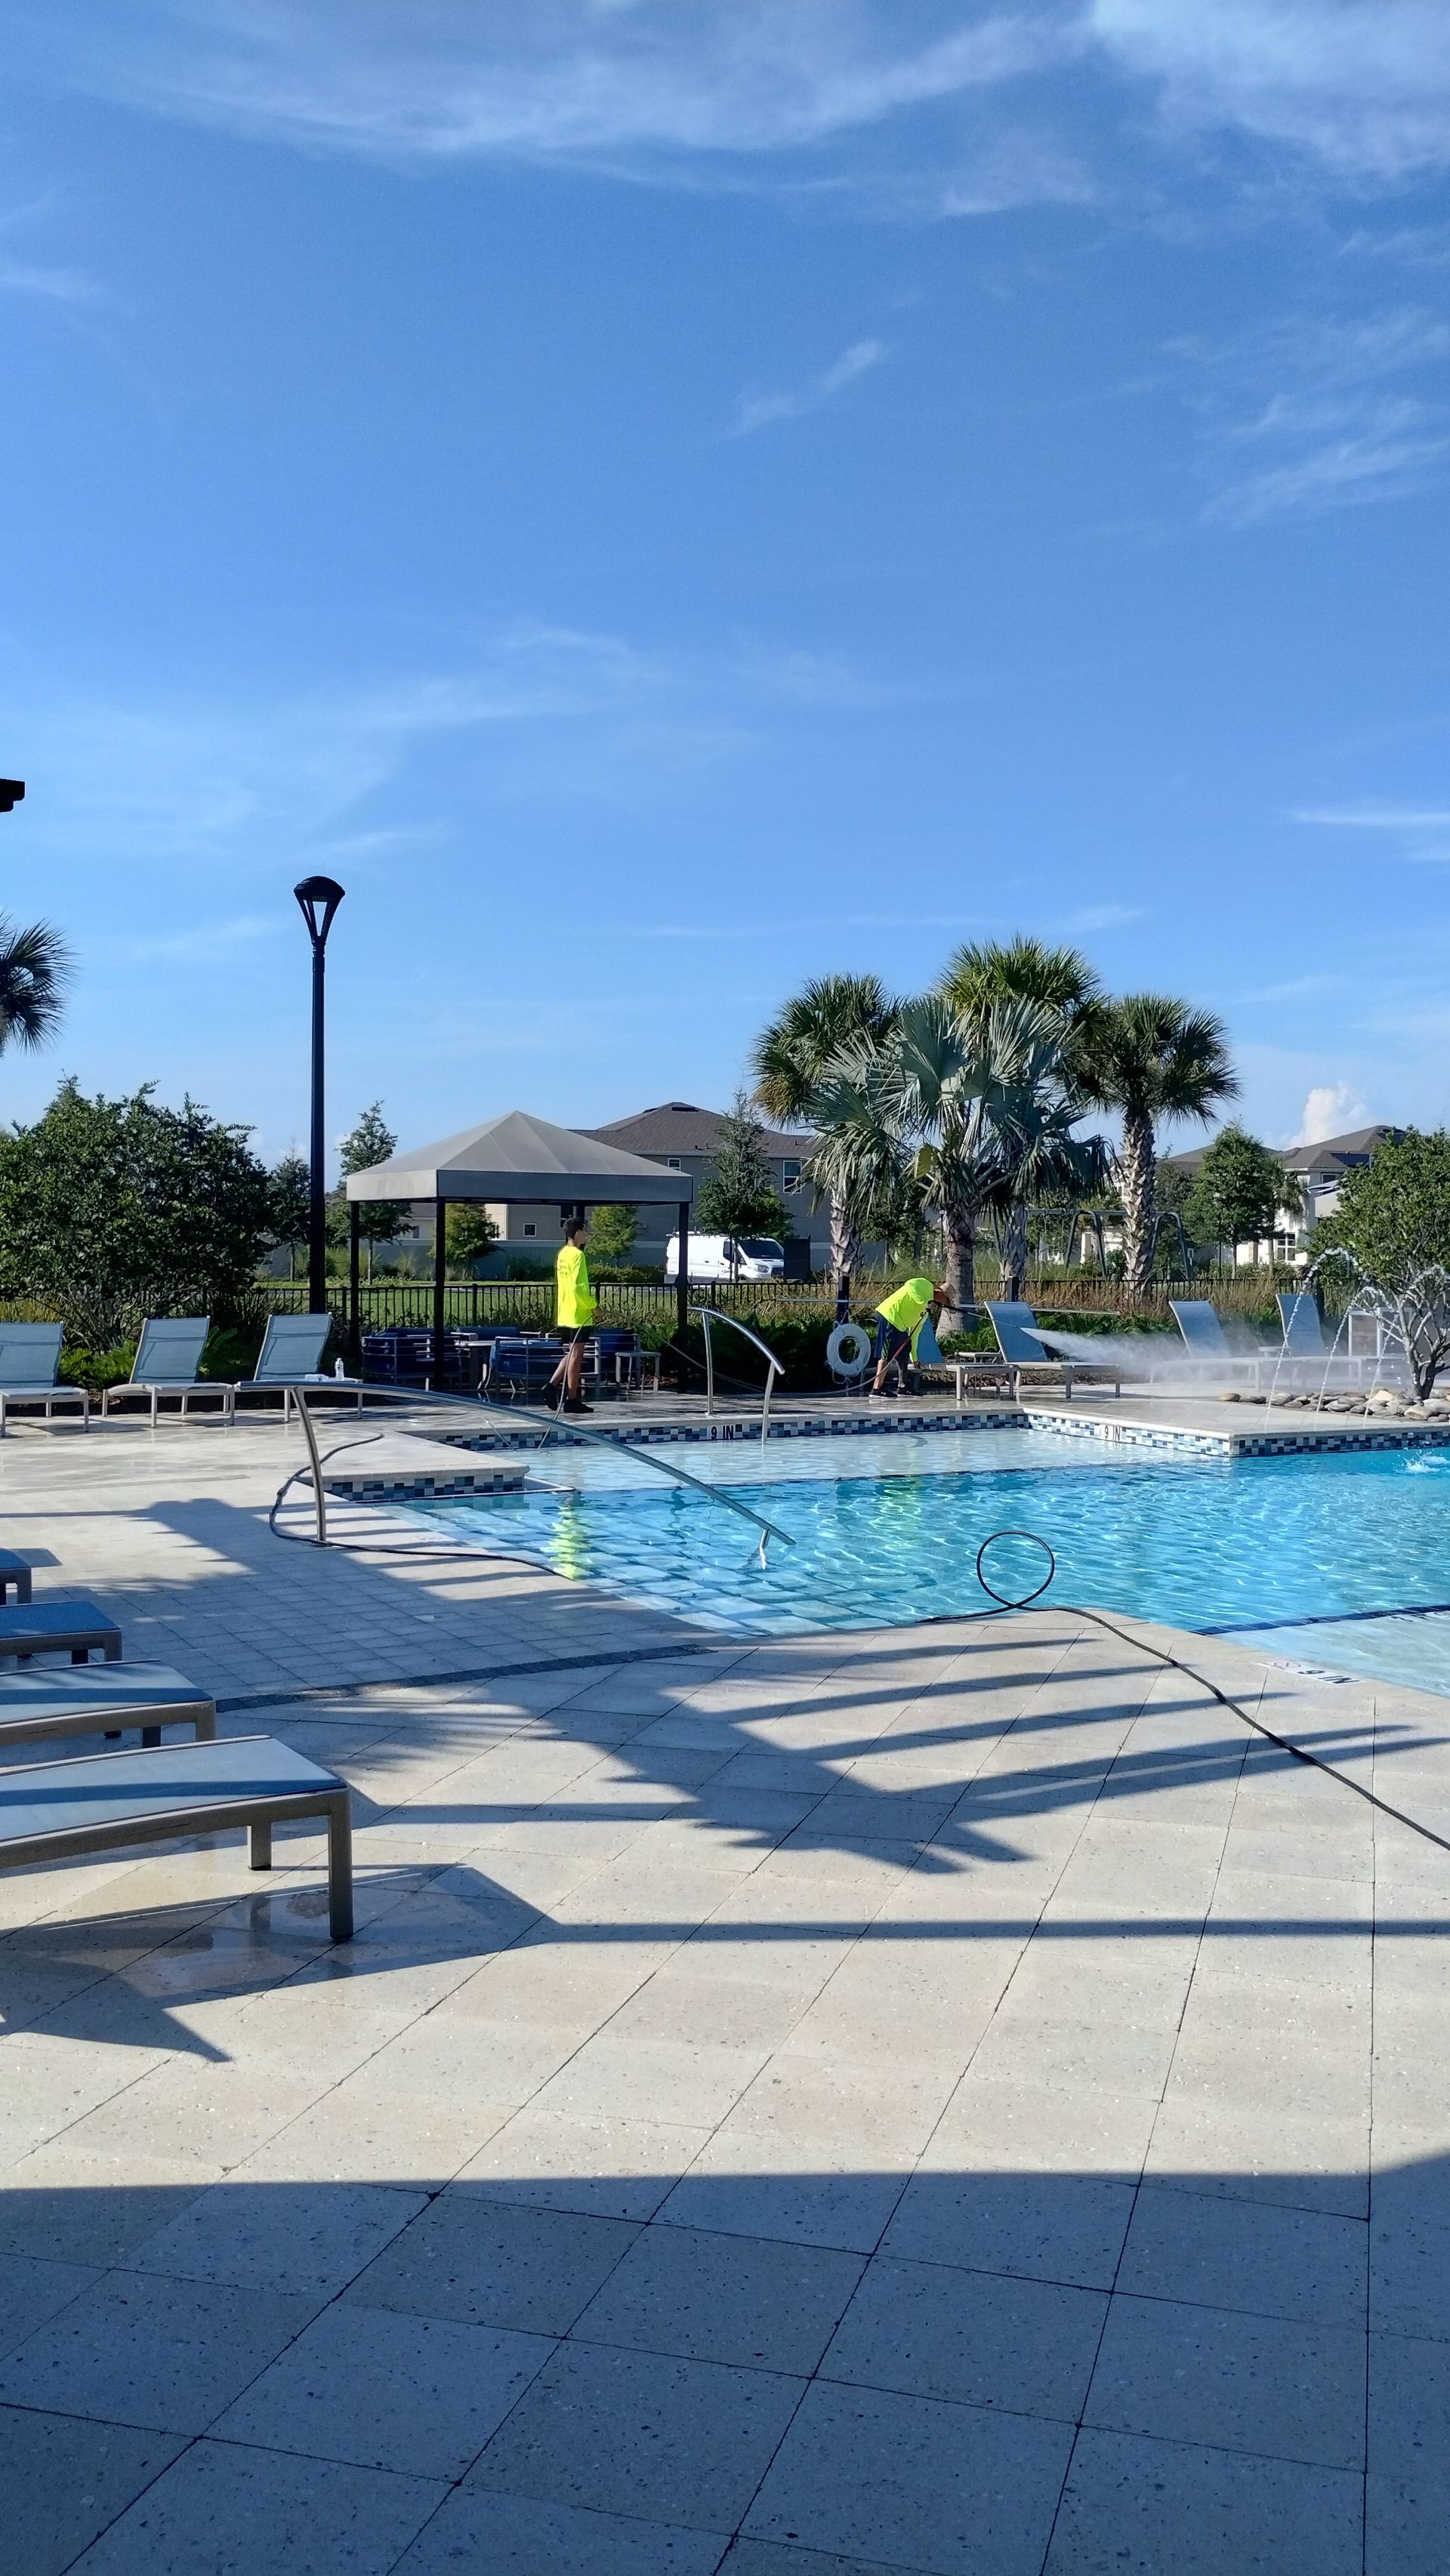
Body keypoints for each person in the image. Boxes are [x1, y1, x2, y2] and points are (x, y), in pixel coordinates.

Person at [868, 1274, 948, 1399]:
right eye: (946, 1300)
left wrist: (914, 1357)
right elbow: (910, 1285)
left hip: (899, 1324)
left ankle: (902, 1386)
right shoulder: (926, 1286)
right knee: (887, 1352)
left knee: (906, 1348)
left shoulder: (925, 1313)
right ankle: (877, 1389)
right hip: (889, 1315)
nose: (943, 1304)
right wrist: (926, 1301)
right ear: (942, 1294)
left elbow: (914, 1334)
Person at [547, 1215, 597, 1413]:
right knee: (577, 1355)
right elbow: (579, 1287)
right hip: (578, 1312)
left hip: (565, 1311)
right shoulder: (578, 1256)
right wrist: (594, 1305)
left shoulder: (562, 1254)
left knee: (572, 1353)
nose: (586, 1234)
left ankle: (552, 1386)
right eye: (584, 1230)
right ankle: (572, 1398)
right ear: (577, 1233)